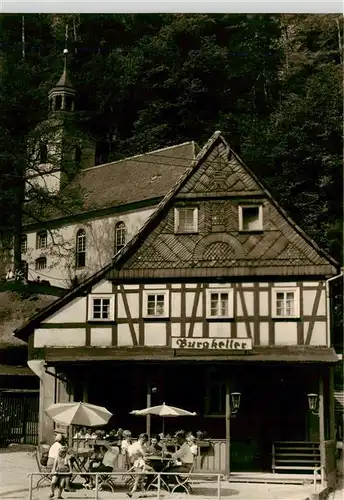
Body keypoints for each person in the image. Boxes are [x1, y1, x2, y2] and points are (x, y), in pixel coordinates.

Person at [127, 433, 154, 498]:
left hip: (140, 463)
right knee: (139, 479)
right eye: (142, 438)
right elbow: (143, 454)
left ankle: (133, 492)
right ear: (139, 438)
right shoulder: (136, 445)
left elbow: (143, 455)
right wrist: (151, 454)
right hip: (136, 463)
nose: (143, 440)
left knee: (139, 479)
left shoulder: (143, 446)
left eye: (144, 439)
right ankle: (137, 492)